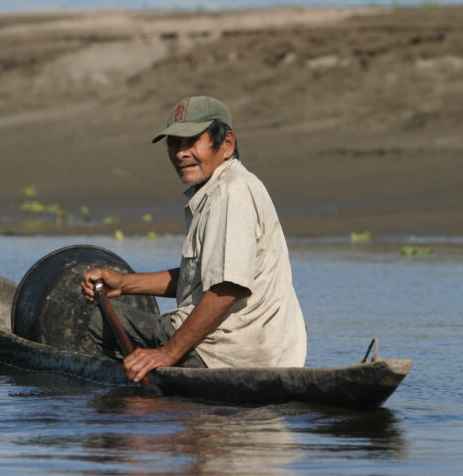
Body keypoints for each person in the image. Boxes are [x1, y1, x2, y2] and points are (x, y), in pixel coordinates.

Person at [81, 96, 306, 382]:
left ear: (226, 144)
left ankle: (144, 390)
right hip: (260, 348)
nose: (180, 153)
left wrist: (167, 353)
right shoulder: (222, 187)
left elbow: (227, 288)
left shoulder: (230, 193)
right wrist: (125, 284)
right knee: (116, 312)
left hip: (232, 352)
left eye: (191, 142)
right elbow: (201, 279)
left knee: (101, 320)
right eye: (174, 143)